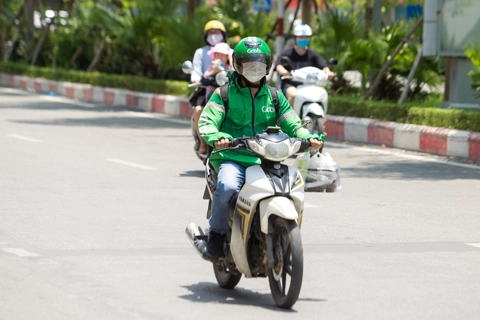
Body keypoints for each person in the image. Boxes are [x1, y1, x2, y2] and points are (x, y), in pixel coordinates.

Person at [198, 36, 324, 258]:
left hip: (267, 159)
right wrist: (218, 137)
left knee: (292, 188)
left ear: (267, 66)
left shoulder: (275, 97)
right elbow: (207, 122)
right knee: (227, 188)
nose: (255, 70)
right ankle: (216, 235)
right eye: (249, 64)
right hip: (233, 158)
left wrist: (308, 137)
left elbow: (293, 123)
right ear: (238, 65)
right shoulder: (224, 94)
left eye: (260, 65)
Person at [191, 20, 228, 155]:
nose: (214, 35)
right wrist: (196, 79)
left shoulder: (230, 51)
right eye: (211, 33)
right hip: (207, 87)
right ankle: (202, 142)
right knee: (199, 109)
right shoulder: (200, 52)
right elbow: (197, 71)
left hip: (228, 88)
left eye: (216, 32)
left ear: (223, 35)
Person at [275, 23, 334, 106]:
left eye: (306, 37)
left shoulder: (313, 54)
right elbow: (279, 66)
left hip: (309, 85)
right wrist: (284, 72)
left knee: (321, 94)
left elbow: (324, 67)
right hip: (291, 84)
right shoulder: (287, 53)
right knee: (293, 95)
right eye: (301, 37)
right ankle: (289, 118)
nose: (304, 39)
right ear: (295, 38)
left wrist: (328, 72)